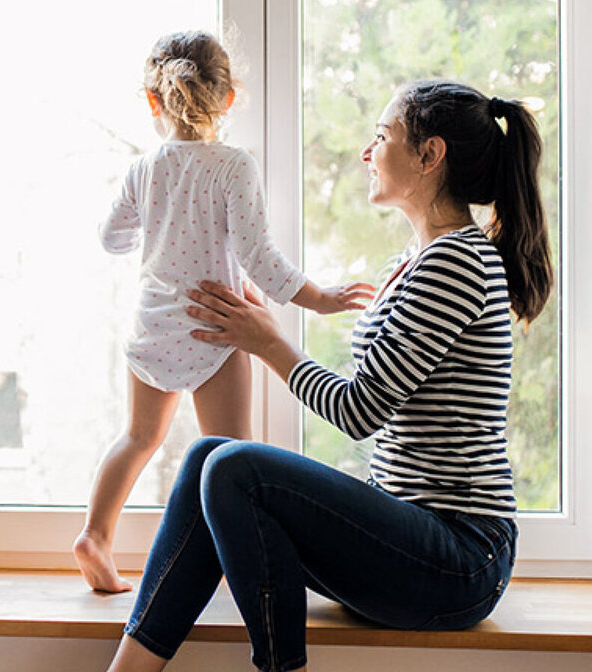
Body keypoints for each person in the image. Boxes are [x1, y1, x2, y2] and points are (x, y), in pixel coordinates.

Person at [104, 79, 554, 672]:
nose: (368, 153)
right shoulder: (414, 261)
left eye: (381, 136)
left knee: (235, 467)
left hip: (459, 559)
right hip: (411, 537)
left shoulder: (457, 262)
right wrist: (261, 330)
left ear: (429, 155)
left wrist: (267, 341)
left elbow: (357, 410)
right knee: (207, 456)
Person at [75, 30, 374, 594]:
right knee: (233, 458)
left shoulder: (146, 168)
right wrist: (323, 298)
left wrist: (157, 222)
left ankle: (95, 535)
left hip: (154, 325)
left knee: (138, 438)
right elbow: (261, 261)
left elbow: (111, 237)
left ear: (153, 100)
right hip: (217, 326)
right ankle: (237, 568)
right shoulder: (235, 167)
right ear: (230, 97)